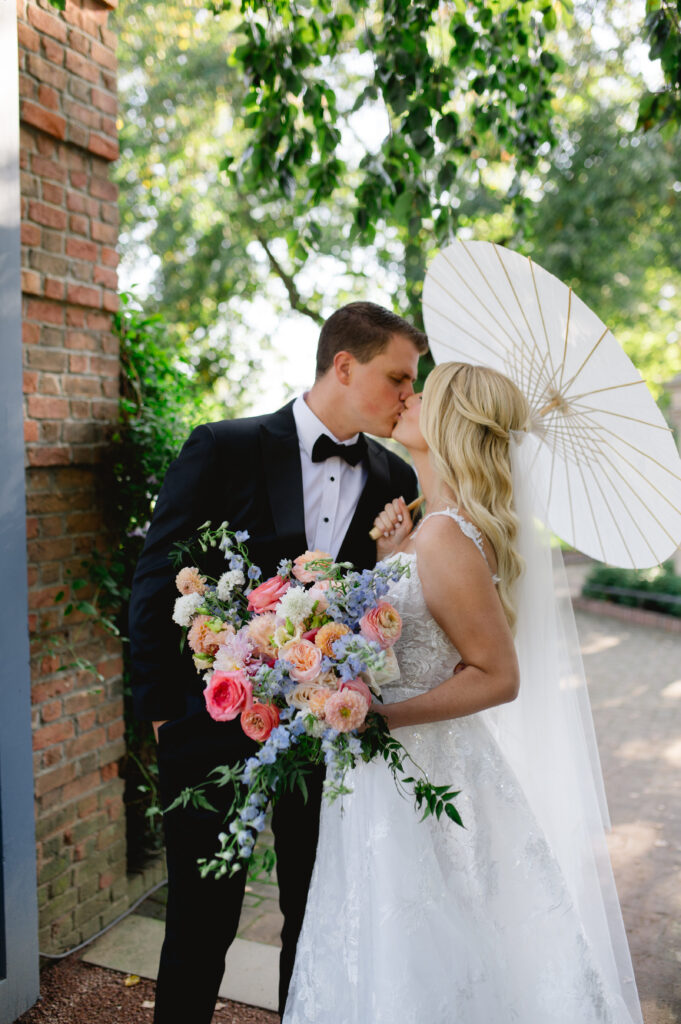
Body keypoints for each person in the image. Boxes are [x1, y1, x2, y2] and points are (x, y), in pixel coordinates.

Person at [283, 362, 644, 1024]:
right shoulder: (430, 529)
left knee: (425, 941)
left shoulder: (447, 534)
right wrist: (391, 559)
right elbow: (414, 637)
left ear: (450, 422)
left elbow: (496, 674)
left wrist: (384, 717)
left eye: (423, 392)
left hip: (421, 763)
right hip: (391, 767)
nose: (406, 395)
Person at [127, 302, 429, 1023]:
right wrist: (168, 716)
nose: (406, 397)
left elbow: (386, 614)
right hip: (211, 726)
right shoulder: (222, 447)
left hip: (324, 743)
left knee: (313, 916)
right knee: (198, 922)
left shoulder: (394, 478)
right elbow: (154, 579)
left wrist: (398, 554)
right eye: (396, 378)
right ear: (343, 364)